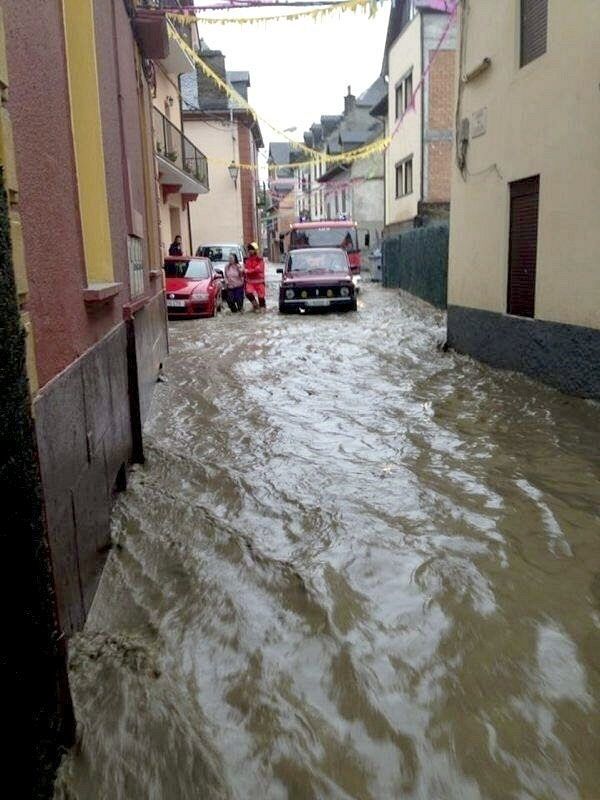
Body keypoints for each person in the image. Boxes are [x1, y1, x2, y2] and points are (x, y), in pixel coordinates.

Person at [244, 242, 266, 311]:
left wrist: (248, 271)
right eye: (249, 249)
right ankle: (255, 305)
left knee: (261, 297)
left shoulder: (260, 259)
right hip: (250, 281)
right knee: (248, 293)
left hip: (259, 281)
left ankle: (262, 309)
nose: (250, 251)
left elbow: (259, 269)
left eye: (252, 249)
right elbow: (245, 268)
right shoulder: (247, 259)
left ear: (255, 250)